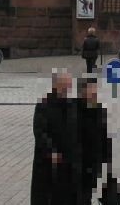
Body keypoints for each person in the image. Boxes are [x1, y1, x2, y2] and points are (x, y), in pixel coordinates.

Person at [31, 69, 76, 205]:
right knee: (45, 196)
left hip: (66, 161)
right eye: (65, 86)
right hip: (46, 161)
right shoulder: (44, 104)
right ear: (56, 86)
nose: (68, 89)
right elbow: (39, 131)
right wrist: (52, 152)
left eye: (69, 86)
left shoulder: (71, 103)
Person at [76, 76, 112, 205]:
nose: (93, 93)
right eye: (90, 90)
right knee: (83, 197)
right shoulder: (74, 111)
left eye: (95, 90)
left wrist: (109, 160)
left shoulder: (100, 109)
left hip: (97, 161)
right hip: (80, 163)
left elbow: (106, 136)